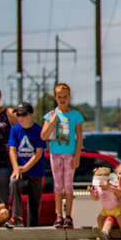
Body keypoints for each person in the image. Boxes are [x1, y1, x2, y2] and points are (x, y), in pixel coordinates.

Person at [41, 83, 83, 228]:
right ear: (55, 97)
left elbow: (79, 136)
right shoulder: (50, 115)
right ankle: (59, 215)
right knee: (58, 184)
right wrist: (51, 122)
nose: (62, 99)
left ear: (69, 96)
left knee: (68, 185)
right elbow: (43, 136)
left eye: (65, 96)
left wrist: (77, 156)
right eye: (59, 97)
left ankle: (68, 216)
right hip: (55, 154)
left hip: (70, 153)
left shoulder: (76, 115)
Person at [8, 102, 47, 227]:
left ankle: (32, 225)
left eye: (23, 114)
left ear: (31, 115)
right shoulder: (15, 129)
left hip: (35, 169)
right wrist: (16, 168)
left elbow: (38, 153)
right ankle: (16, 217)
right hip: (20, 168)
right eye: (18, 115)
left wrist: (25, 167)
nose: (20, 117)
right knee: (14, 183)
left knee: (34, 198)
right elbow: (12, 149)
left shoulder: (38, 130)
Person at [0, 85, 19, 208]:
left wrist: (15, 144)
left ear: (0, 97)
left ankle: (4, 216)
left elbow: (24, 130)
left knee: (1, 195)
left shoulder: (9, 113)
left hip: (4, 162)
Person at [88, 166, 121, 240]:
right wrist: (91, 192)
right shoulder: (97, 188)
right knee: (99, 219)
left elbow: (120, 197)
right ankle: (102, 233)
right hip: (106, 209)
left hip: (116, 208)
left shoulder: (113, 188)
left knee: (120, 219)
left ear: (108, 180)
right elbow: (96, 198)